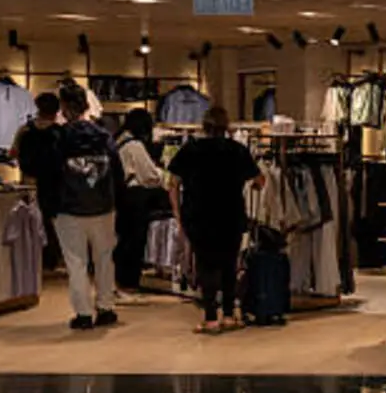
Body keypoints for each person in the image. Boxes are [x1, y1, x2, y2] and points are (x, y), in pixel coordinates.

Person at [167, 106, 265, 334]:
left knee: (205, 265)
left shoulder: (190, 150)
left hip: (198, 216)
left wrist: (178, 214)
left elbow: (173, 183)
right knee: (229, 264)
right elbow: (260, 180)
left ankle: (210, 318)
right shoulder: (237, 150)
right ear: (226, 126)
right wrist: (250, 185)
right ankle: (229, 315)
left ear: (204, 126)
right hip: (230, 215)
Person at [51, 82, 124, 331]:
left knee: (76, 262)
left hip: (69, 208)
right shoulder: (104, 136)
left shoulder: (59, 137)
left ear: (63, 106)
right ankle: (106, 307)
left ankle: (83, 314)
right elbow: (118, 172)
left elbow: (50, 173)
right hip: (103, 207)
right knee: (104, 259)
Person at [112, 108, 166, 304]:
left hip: (121, 196)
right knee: (134, 241)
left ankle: (120, 283)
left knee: (124, 239)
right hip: (135, 197)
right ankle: (129, 284)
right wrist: (162, 174)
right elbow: (149, 175)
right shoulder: (134, 145)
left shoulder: (118, 141)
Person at [11, 92, 64, 271]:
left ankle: (31, 256)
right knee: (52, 221)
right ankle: (51, 258)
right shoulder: (60, 133)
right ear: (56, 111)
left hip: (29, 181)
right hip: (53, 183)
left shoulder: (25, 130)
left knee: (30, 220)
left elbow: (13, 153)